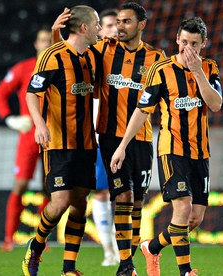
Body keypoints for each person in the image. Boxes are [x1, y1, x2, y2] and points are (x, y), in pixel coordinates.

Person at [52, 3, 166, 275]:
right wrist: (58, 36)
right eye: (118, 22)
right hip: (110, 137)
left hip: (142, 138)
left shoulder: (155, 58)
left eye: (127, 22)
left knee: (138, 200)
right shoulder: (104, 49)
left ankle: (130, 259)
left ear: (141, 25)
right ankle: (125, 265)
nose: (120, 27)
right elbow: (70, 57)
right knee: (123, 197)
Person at [110, 17, 223, 276]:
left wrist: (198, 72)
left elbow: (215, 104)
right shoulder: (161, 70)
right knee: (182, 207)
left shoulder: (209, 68)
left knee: (194, 219)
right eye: (184, 42)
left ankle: (152, 246)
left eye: (194, 44)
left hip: (201, 152)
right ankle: (186, 271)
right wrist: (122, 145)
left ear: (203, 43)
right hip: (171, 150)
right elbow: (142, 110)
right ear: (177, 40)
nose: (188, 49)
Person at [22, 5, 101, 276]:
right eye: (97, 24)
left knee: (80, 203)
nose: (100, 29)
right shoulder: (51, 57)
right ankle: (36, 246)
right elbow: (32, 94)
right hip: (58, 142)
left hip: (87, 144)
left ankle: (69, 268)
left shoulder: (91, 57)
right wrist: (39, 124)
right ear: (83, 28)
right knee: (60, 203)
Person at [0, 29, 52, 252]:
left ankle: (41, 241)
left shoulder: (61, 67)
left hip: (54, 135)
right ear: (36, 44)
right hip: (29, 134)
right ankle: (9, 239)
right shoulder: (24, 68)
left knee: (50, 188)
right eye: (43, 40)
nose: (46, 44)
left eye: (50, 40)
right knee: (21, 184)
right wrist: (10, 119)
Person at [91, 8, 120, 267]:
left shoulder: (132, 59)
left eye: (118, 25)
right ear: (100, 30)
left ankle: (122, 247)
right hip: (98, 137)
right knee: (100, 193)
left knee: (125, 194)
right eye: (109, 24)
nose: (114, 29)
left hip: (125, 136)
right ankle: (109, 250)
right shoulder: (93, 56)